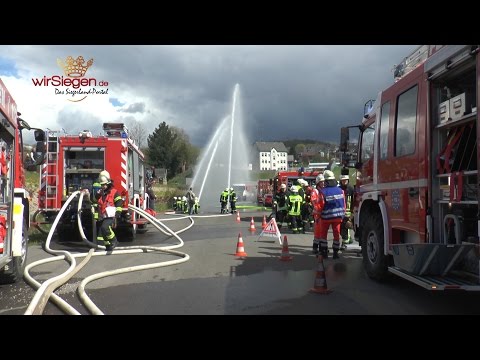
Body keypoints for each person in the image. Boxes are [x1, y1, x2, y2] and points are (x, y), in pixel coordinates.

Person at [316, 170, 345, 259]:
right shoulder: (341, 191)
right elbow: (344, 204)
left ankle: (324, 253)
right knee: (336, 234)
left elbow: (320, 206)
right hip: (338, 218)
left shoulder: (323, 192)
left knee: (323, 235)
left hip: (326, 218)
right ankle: (336, 253)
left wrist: (317, 215)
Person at [95, 171, 123, 251]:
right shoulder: (101, 193)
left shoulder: (114, 192)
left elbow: (119, 203)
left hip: (110, 216)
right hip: (102, 216)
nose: (103, 186)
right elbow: (94, 201)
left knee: (105, 227)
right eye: (102, 185)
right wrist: (96, 195)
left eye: (104, 184)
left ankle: (114, 241)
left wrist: (117, 214)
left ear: (108, 183)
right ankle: (108, 246)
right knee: (101, 233)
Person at [311, 173, 325, 254]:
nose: (323, 183)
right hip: (318, 215)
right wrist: (318, 210)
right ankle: (315, 247)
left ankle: (322, 248)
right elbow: (313, 201)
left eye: (323, 182)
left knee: (323, 232)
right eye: (321, 182)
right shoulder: (315, 191)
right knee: (317, 232)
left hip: (324, 214)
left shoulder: (324, 191)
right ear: (318, 183)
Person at [339, 174, 354, 246]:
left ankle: (345, 242)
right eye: (343, 180)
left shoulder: (351, 189)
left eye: (345, 180)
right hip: (341, 211)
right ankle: (348, 239)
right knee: (343, 227)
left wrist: (353, 210)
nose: (344, 182)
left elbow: (354, 200)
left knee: (346, 226)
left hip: (349, 211)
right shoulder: (339, 189)